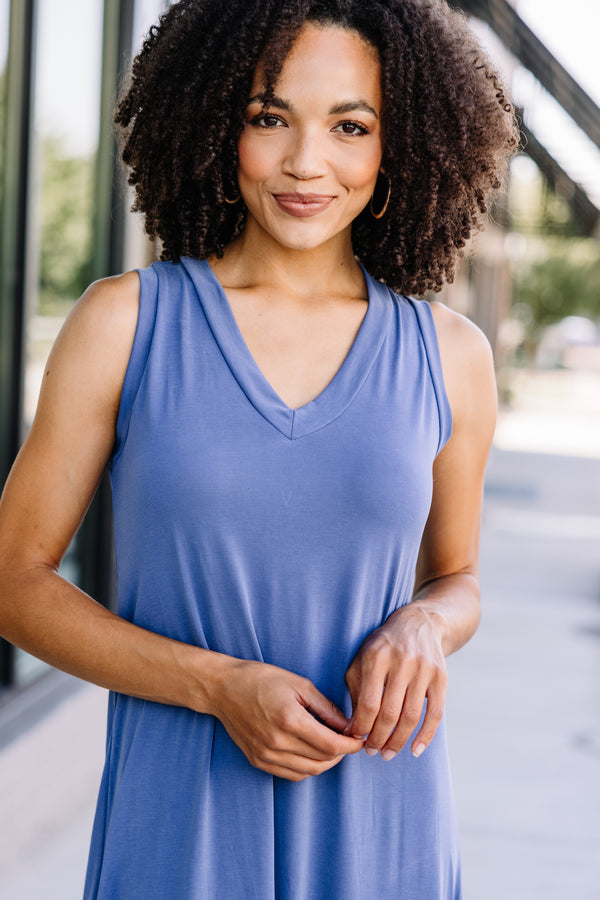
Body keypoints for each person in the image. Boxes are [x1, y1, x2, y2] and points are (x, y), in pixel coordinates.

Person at [0, 1, 518, 897]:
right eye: (268, 118)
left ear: (400, 147)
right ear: (214, 125)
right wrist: (216, 686)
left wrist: (426, 623)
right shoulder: (126, 323)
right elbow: (13, 580)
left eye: (350, 126)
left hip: (382, 826)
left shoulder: (450, 355)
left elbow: (458, 578)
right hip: (180, 832)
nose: (305, 162)